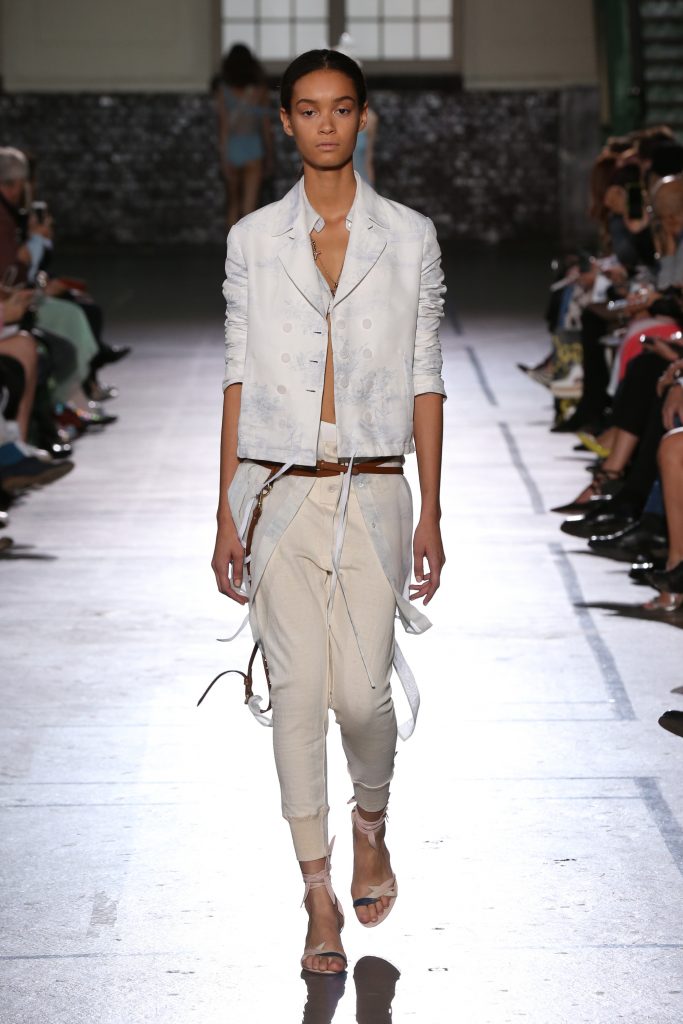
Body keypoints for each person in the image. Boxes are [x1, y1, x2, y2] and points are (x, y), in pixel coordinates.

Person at [210, 49, 446, 976]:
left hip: (377, 487)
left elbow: (425, 377)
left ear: (362, 117)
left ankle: (370, 822)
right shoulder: (251, 240)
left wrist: (431, 511)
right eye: (306, 110)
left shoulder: (410, 237)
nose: (323, 124)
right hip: (275, 490)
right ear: (284, 122)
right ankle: (317, 894)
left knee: (362, 696)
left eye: (340, 108)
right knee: (299, 696)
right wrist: (223, 512)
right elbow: (236, 375)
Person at [214, 44, 273, 229]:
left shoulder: (223, 91)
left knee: (233, 203)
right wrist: (270, 155)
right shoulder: (260, 90)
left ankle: (231, 245)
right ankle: (247, 246)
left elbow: (224, 128)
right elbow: (265, 127)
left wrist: (223, 158)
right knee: (250, 207)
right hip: (254, 148)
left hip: (232, 148)